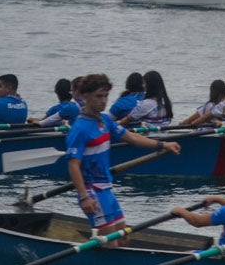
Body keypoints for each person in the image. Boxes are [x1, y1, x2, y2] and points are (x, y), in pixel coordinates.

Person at [69, 73, 181, 235]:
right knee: (111, 243)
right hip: (92, 191)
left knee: (123, 238)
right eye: (99, 96)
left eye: (106, 96)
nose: (103, 101)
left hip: (107, 187)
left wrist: (163, 144)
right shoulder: (79, 128)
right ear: (86, 96)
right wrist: (84, 196)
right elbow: (73, 164)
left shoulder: (105, 120)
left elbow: (132, 138)